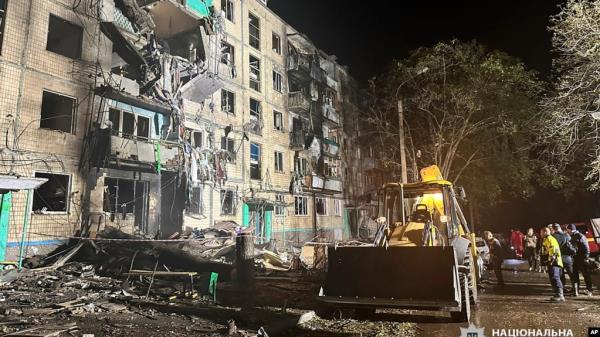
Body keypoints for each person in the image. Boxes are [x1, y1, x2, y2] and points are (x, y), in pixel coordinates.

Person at [566, 224, 593, 297]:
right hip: (575, 259)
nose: (567, 232)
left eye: (568, 230)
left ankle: (589, 290)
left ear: (570, 230)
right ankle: (576, 290)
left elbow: (586, 248)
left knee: (586, 275)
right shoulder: (572, 236)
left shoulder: (580, 236)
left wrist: (586, 258)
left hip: (581, 259)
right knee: (575, 275)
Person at [551, 224, 576, 295]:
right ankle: (575, 289)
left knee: (560, 274)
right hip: (568, 258)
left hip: (559, 258)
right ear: (559, 228)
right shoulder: (567, 235)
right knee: (571, 274)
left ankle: (563, 288)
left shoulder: (553, 237)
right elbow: (571, 246)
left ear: (553, 229)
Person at [541, 227, 565, 301]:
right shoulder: (546, 239)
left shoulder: (550, 239)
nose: (540, 234)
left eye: (541, 232)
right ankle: (557, 294)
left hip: (555, 262)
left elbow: (553, 249)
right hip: (552, 261)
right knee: (553, 278)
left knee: (555, 277)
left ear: (545, 232)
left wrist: (551, 260)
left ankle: (560, 295)